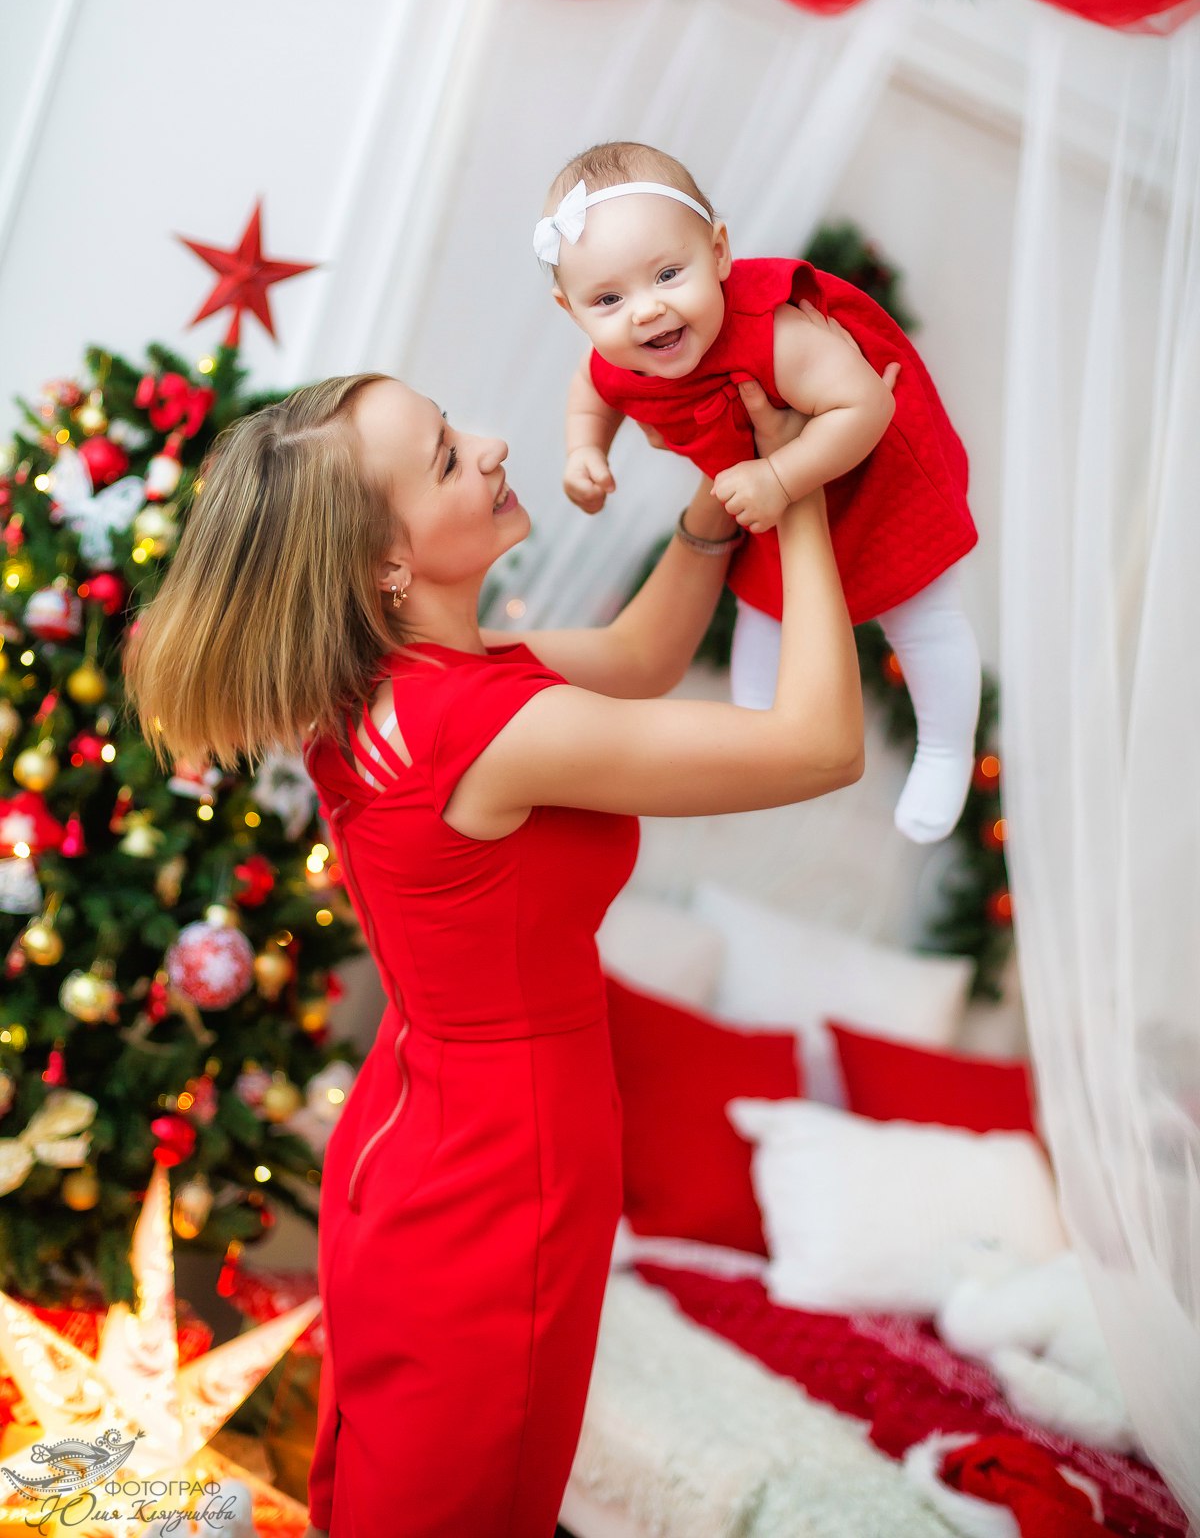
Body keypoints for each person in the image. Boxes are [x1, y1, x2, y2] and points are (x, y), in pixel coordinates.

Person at [125, 367, 868, 1538]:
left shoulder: (396, 688)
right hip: (496, 1181)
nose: (490, 445)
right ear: (386, 565)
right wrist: (804, 489)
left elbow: (638, 655)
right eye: (443, 457)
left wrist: (713, 520)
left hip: (417, 1147)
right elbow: (821, 744)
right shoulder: (484, 729)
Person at [539, 139, 983, 844]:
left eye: (668, 273)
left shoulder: (774, 332)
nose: (646, 311)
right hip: (765, 494)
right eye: (609, 298)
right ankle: (758, 734)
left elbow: (866, 407)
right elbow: (592, 391)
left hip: (869, 472)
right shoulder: (617, 357)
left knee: (923, 616)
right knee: (767, 608)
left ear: (719, 252)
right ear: (573, 311)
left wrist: (781, 474)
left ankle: (945, 749)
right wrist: (584, 450)